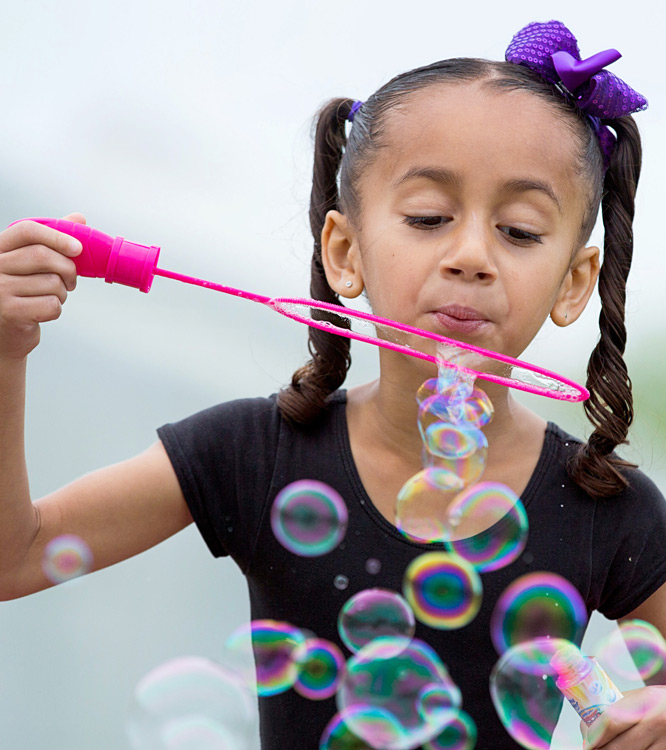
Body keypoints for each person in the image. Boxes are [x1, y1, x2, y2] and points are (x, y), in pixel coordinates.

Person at [1, 18, 665, 749]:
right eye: (429, 217)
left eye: (520, 230)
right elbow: (17, 555)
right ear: (344, 252)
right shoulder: (257, 453)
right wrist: (6, 350)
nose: (472, 255)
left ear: (574, 282)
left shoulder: (608, 506)